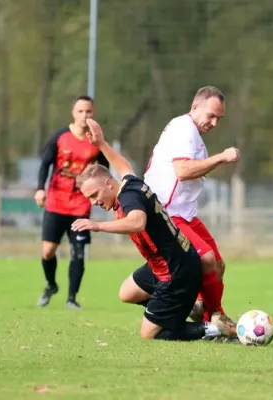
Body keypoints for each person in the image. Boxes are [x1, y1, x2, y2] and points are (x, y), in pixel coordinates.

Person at [71, 118, 236, 341]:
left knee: (149, 334)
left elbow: (137, 222)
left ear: (109, 184)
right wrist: (101, 144)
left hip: (175, 272)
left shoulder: (129, 198)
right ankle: (183, 309)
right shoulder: (129, 183)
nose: (94, 202)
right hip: (163, 264)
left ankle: (215, 329)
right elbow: (123, 166)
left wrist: (98, 226)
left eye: (95, 195)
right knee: (127, 293)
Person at [141, 86, 239, 326]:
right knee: (205, 260)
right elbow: (182, 171)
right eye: (211, 115)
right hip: (165, 213)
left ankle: (212, 315)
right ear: (195, 107)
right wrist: (221, 157)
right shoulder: (184, 128)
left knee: (217, 264)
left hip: (184, 213)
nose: (214, 123)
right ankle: (211, 318)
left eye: (219, 118)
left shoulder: (191, 132)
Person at [34, 95, 109, 309]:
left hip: (80, 205)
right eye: (80, 111)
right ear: (73, 113)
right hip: (56, 203)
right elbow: (45, 163)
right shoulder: (60, 137)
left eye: (89, 112)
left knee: (78, 251)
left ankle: (71, 298)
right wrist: (40, 188)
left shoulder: (96, 140)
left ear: (93, 114)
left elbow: (105, 170)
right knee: (48, 251)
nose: (85, 115)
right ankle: (51, 285)